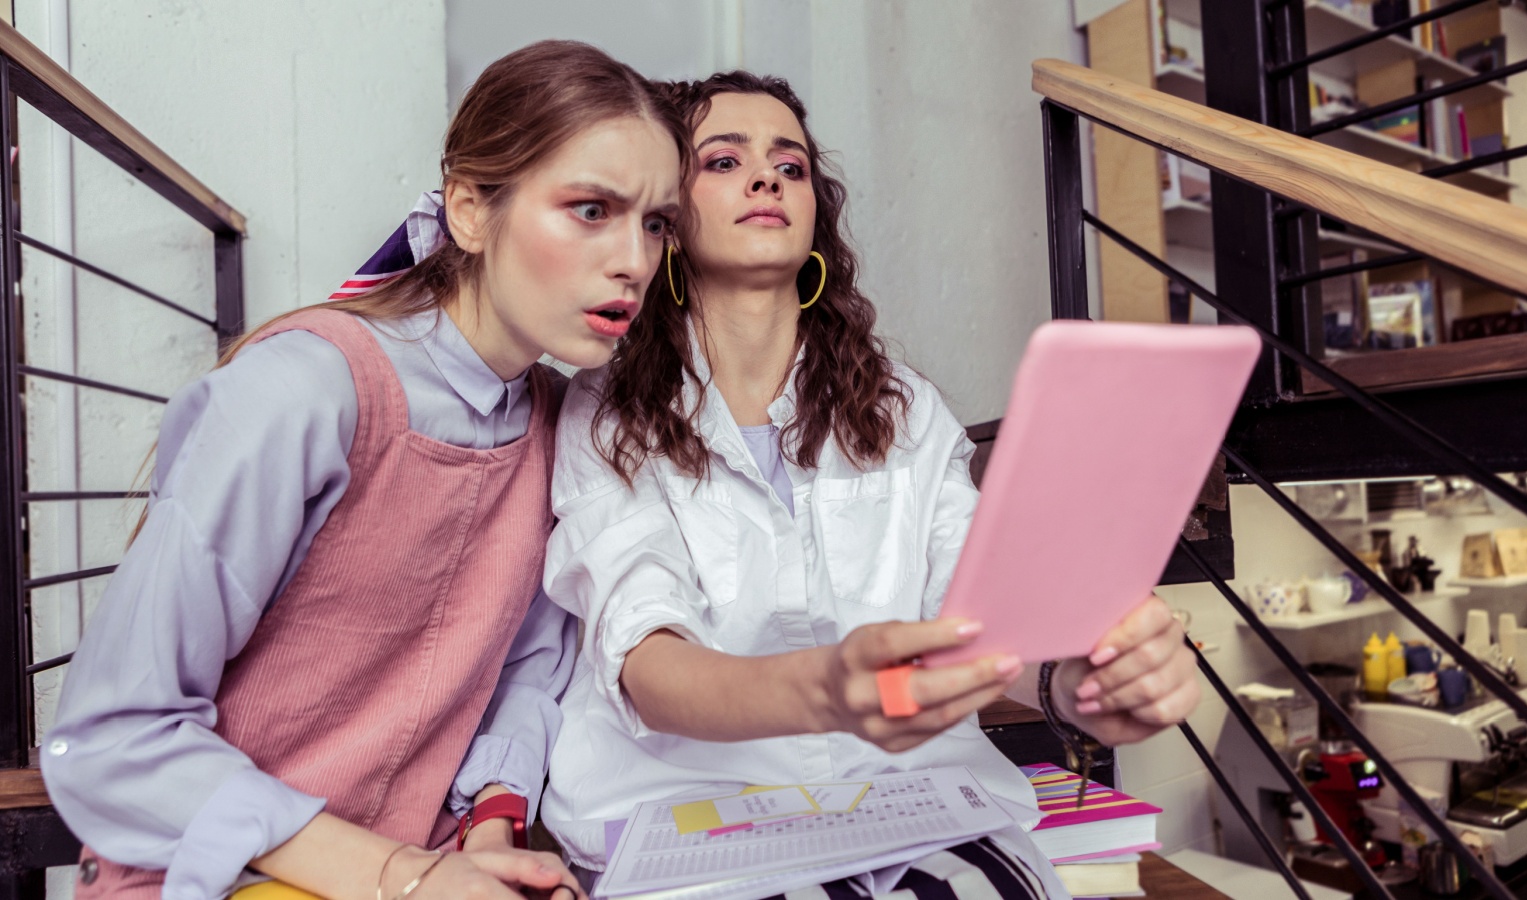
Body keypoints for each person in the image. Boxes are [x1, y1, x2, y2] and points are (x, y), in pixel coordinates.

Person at [505, 71, 1200, 899]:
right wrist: (827, 688)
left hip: (911, 803)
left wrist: (1082, 682)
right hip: (689, 818)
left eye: (790, 166)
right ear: (665, 220)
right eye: (723, 161)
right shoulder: (606, 409)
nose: (766, 178)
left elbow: (978, 620)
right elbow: (648, 665)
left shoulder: (904, 410)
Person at [41, 41, 686, 900]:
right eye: (591, 208)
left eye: (655, 222)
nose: (634, 261)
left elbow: (527, 667)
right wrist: (399, 875)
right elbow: (114, 733)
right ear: (467, 209)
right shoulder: (303, 391)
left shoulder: (556, 422)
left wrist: (487, 834)